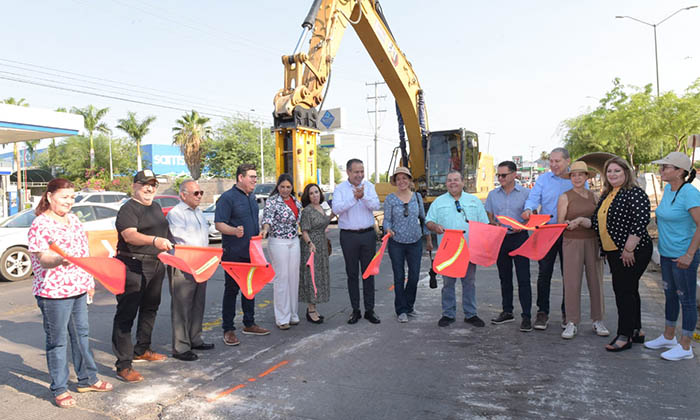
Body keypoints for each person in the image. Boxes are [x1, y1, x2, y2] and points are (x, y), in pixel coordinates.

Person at [28, 178, 113, 407]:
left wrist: (89, 281)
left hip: (78, 288)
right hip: (53, 292)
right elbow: (43, 258)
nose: (69, 201)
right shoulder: (40, 224)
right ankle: (59, 388)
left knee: (81, 336)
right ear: (49, 196)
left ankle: (87, 379)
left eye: (72, 197)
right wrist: (58, 260)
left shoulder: (74, 220)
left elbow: (83, 254)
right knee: (57, 342)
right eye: (64, 197)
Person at [112, 170, 173, 383]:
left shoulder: (155, 207)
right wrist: (154, 241)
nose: (149, 189)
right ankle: (123, 365)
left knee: (150, 309)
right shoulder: (127, 209)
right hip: (132, 265)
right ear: (134, 186)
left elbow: (164, 232)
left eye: (153, 185)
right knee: (126, 315)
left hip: (156, 264)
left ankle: (142, 349)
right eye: (144, 184)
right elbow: (130, 235)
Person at [591, 156, 652, 352]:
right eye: (609, 171)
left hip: (632, 250)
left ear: (626, 172)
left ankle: (624, 336)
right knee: (630, 289)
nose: (612, 174)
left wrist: (628, 249)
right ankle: (635, 330)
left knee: (624, 292)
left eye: (617, 171)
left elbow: (640, 222)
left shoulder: (634, 193)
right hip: (614, 251)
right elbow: (598, 221)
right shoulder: (609, 194)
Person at [645, 152, 700, 360]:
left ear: (680, 171)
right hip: (667, 254)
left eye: (666, 167)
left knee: (686, 300)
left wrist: (689, 254)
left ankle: (686, 347)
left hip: (683, 256)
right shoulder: (669, 189)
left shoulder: (690, 193)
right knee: (670, 295)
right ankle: (669, 337)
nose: (661, 170)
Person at [426, 170, 489, 328]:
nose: (452, 183)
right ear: (446, 184)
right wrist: (435, 226)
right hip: (448, 252)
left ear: (463, 183)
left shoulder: (474, 201)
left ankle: (471, 314)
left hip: (469, 250)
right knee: (448, 284)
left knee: (469, 283)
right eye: (449, 180)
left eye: (456, 180)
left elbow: (484, 224)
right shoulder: (438, 202)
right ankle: (448, 314)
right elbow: (428, 221)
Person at [215, 163, 270, 346]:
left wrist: (261, 230)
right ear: (240, 177)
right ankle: (228, 329)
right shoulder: (227, 198)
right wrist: (234, 231)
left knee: (250, 288)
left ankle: (249, 323)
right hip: (233, 253)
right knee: (231, 290)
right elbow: (219, 224)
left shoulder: (252, 197)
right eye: (252, 177)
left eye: (256, 177)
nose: (255, 180)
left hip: (252, 252)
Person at [522, 147, 574, 330]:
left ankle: (568, 313)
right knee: (544, 274)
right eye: (551, 161)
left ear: (567, 161)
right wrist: (529, 209)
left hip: (570, 233)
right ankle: (542, 312)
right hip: (546, 231)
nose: (553, 165)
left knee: (569, 275)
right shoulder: (543, 179)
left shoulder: (576, 179)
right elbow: (533, 198)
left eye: (557, 161)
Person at [557, 161, 608, 340]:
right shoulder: (564, 197)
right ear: (570, 178)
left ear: (587, 177)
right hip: (572, 242)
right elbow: (559, 222)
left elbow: (600, 220)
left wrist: (585, 220)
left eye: (581, 174)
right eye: (573, 175)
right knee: (571, 282)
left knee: (596, 281)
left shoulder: (594, 196)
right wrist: (570, 223)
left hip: (592, 241)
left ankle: (598, 319)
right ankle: (572, 321)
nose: (577, 178)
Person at [166, 179, 214, 362]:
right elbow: (183, 238)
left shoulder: (199, 213)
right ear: (183, 195)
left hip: (201, 263)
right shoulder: (176, 213)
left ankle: (195, 338)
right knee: (182, 306)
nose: (199, 196)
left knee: (198, 303)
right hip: (184, 264)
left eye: (200, 192)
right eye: (196, 193)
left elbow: (204, 238)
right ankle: (181, 347)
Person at [485, 161, 533, 332]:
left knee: (523, 278)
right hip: (501, 239)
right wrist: (493, 224)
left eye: (503, 175)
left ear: (514, 174)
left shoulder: (527, 193)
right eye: (498, 175)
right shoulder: (493, 195)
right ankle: (507, 311)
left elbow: (533, 215)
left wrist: (525, 223)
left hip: (520, 238)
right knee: (504, 277)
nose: (500, 178)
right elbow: (489, 216)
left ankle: (526, 316)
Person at [332, 158, 382, 324]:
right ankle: (355, 310)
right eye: (356, 172)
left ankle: (370, 310)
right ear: (348, 172)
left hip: (368, 235)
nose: (359, 175)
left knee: (368, 273)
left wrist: (363, 197)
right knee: (352, 274)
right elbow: (336, 208)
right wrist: (354, 198)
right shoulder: (340, 189)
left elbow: (375, 205)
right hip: (349, 236)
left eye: (362, 171)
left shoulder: (369, 186)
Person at [383, 167, 432, 323]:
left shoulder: (417, 197)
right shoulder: (390, 199)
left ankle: (409, 306)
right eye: (398, 179)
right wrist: (388, 229)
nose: (402, 181)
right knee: (399, 277)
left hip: (415, 242)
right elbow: (387, 219)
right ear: (395, 182)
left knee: (414, 276)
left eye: (405, 178)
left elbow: (424, 220)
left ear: (410, 180)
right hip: (396, 242)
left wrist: (429, 240)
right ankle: (401, 310)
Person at [261, 174, 303, 330]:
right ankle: (282, 317)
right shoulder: (272, 202)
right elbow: (268, 219)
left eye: (288, 187)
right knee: (282, 278)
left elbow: (300, 221)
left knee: (293, 278)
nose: (285, 190)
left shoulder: (296, 202)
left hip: (294, 241)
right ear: (278, 187)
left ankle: (293, 314)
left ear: (292, 187)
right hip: (278, 241)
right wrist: (265, 230)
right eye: (282, 187)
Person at [299, 183, 333, 324]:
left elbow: (324, 223)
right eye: (311, 193)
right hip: (311, 246)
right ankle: (310, 309)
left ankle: (314, 307)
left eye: (316, 192)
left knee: (319, 276)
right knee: (311, 276)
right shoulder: (307, 211)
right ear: (308, 196)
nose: (314, 195)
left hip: (322, 245)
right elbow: (304, 231)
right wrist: (310, 244)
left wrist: (333, 215)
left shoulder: (321, 208)